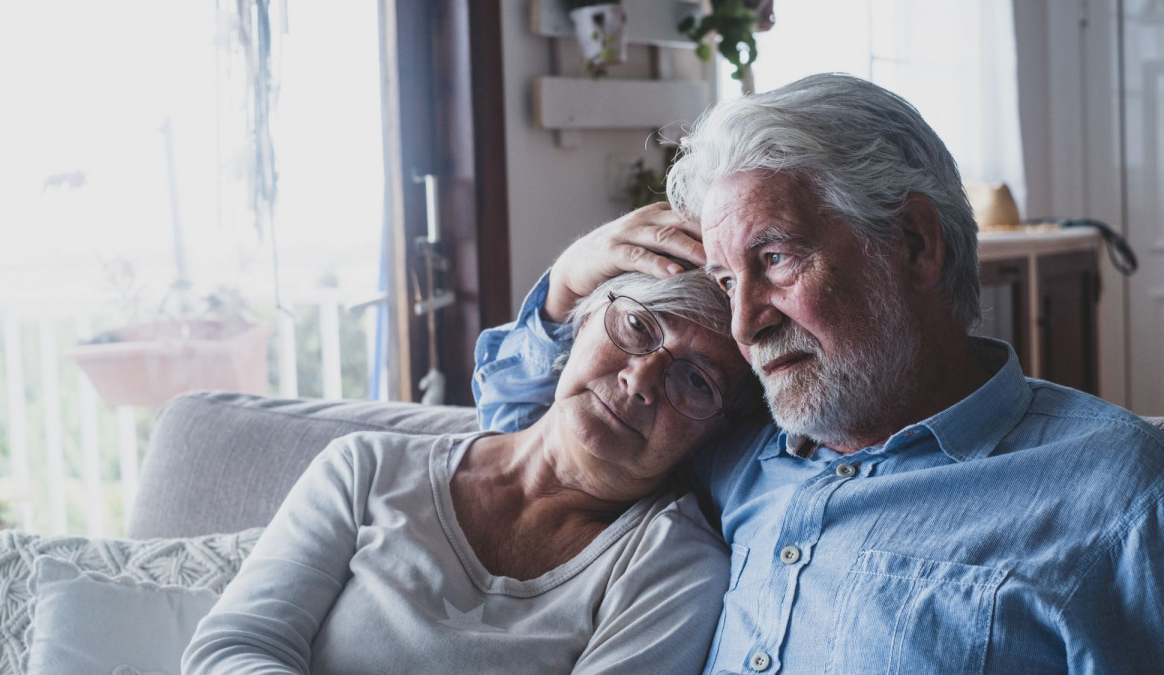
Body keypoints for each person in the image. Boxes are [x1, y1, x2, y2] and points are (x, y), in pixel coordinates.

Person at [472, 73, 1164, 673]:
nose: (744, 324)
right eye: (723, 277)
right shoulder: (736, 445)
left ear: (916, 244)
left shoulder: (1117, 494)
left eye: (773, 257)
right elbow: (532, 435)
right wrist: (564, 286)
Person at [183, 270, 760, 673]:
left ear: (716, 432)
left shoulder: (674, 567)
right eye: (636, 327)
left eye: (696, 381)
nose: (640, 379)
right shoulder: (366, 469)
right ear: (585, 321)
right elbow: (234, 647)